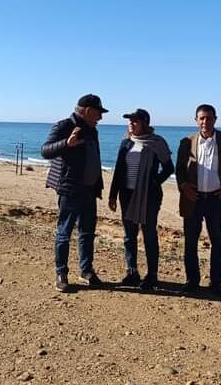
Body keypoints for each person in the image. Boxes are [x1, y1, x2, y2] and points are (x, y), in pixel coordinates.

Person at [41, 94, 108, 293]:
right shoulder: (64, 126)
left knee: (87, 233)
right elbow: (45, 151)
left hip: (90, 190)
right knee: (64, 233)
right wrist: (66, 144)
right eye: (98, 113)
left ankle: (86, 271)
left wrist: (98, 185)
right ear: (88, 111)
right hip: (70, 190)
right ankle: (61, 273)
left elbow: (94, 158)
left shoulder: (92, 130)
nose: (100, 117)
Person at [176, 104, 221, 295]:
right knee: (190, 242)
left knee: (217, 243)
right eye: (201, 118)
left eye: (209, 118)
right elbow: (179, 170)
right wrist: (184, 187)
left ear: (215, 119)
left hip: (216, 199)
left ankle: (216, 283)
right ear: (196, 120)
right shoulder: (186, 142)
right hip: (193, 199)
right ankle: (192, 281)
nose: (205, 121)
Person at [108, 109, 174, 290]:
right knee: (129, 235)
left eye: (135, 121)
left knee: (149, 234)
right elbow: (119, 170)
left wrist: (154, 182)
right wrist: (113, 194)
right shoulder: (126, 143)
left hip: (148, 196)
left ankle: (152, 275)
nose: (131, 123)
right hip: (127, 194)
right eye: (129, 120)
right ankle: (132, 272)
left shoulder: (157, 142)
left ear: (144, 123)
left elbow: (169, 168)